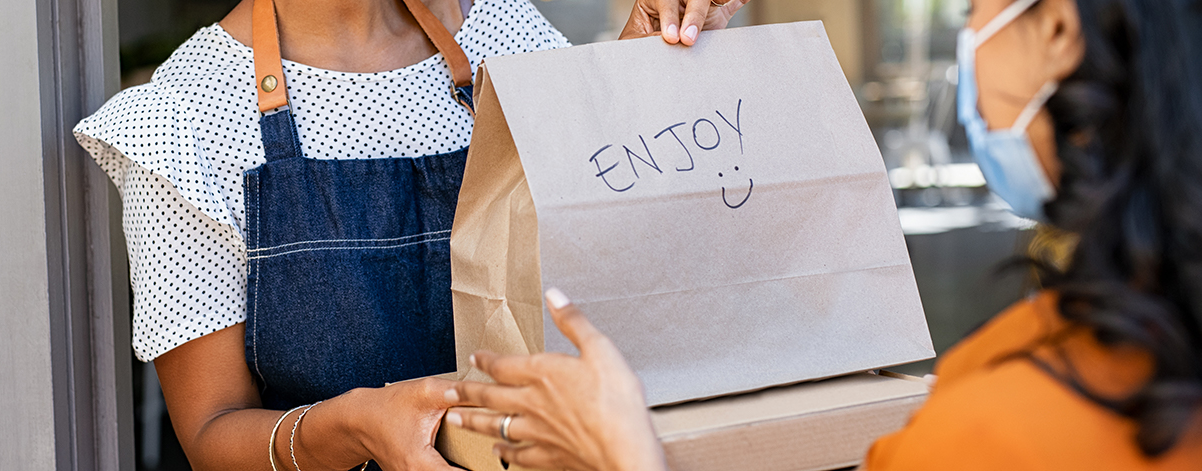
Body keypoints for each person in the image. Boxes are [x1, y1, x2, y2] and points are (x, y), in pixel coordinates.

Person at [445, 0, 1202, 469]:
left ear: (1060, 28)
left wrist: (623, 460)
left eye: (978, 4)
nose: (970, 30)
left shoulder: (994, 432)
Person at [73, 0, 750, 469]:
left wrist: (651, 49)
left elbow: (594, 226)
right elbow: (211, 434)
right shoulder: (182, 120)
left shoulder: (506, 33)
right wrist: (354, 426)